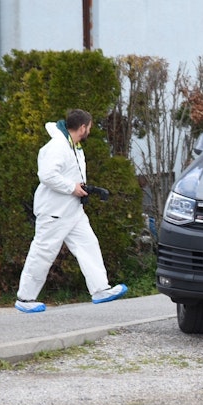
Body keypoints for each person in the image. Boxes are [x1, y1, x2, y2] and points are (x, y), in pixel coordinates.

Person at [15, 109, 127, 313]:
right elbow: (47, 175)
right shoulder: (58, 146)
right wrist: (72, 188)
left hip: (72, 211)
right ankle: (25, 297)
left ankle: (100, 289)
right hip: (54, 211)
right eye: (89, 128)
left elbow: (69, 175)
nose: (89, 131)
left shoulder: (73, 146)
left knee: (89, 245)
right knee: (42, 252)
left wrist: (83, 189)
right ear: (82, 127)